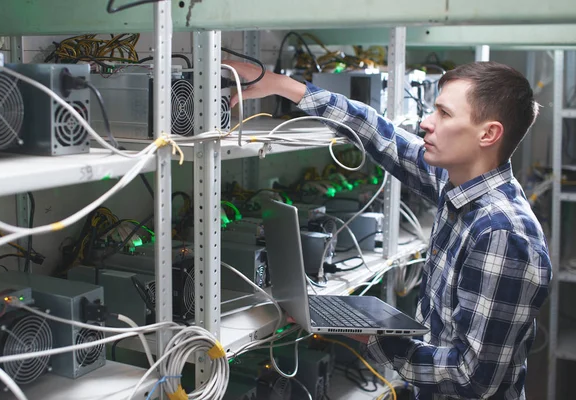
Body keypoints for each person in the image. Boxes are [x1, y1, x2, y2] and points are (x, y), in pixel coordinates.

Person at [223, 59, 552, 399]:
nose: (426, 123)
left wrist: (375, 338)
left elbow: (471, 377)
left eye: (444, 114)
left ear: (489, 134)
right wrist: (283, 85)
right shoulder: (458, 185)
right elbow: (380, 135)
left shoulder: (502, 236)